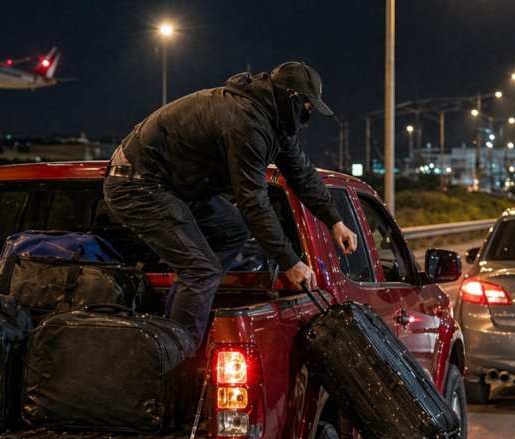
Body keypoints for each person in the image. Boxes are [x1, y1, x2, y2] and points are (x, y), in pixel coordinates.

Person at [103, 61, 357, 342]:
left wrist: (335, 220)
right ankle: (177, 359)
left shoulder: (274, 122)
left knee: (232, 229)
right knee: (202, 269)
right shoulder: (246, 123)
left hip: (175, 186)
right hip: (138, 183)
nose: (307, 117)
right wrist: (290, 262)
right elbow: (253, 200)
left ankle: (178, 315)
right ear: (291, 98)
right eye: (308, 108)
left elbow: (303, 174)